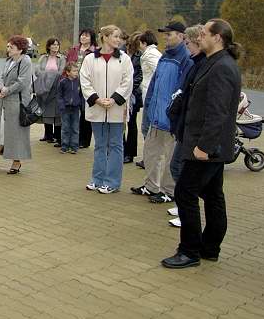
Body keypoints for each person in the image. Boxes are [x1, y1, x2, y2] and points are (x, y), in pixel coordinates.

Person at [162, 19, 241, 269]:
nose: (200, 37)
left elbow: (217, 112)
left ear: (218, 37)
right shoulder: (212, 62)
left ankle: (190, 251)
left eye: (205, 33)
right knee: (213, 195)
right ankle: (209, 247)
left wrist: (204, 147)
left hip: (206, 148)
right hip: (207, 146)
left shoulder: (222, 67)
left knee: (185, 193)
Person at [131, 21, 194, 204]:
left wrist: (174, 114)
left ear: (182, 36)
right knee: (151, 153)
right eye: (165, 34)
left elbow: (183, 90)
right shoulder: (165, 55)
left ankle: (168, 191)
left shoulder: (186, 58)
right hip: (156, 116)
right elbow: (155, 83)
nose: (165, 37)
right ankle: (150, 186)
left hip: (171, 119)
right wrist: (149, 104)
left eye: (170, 34)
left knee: (170, 158)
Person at [81, 25, 134, 194]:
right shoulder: (90, 59)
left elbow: (128, 82)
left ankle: (112, 182)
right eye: (114, 36)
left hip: (116, 110)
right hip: (97, 109)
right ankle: (97, 179)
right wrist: (96, 99)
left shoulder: (124, 59)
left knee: (116, 145)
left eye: (119, 37)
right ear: (104, 37)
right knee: (100, 145)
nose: (118, 40)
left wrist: (114, 99)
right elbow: (85, 81)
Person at [165, 24, 205, 228]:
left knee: (181, 169)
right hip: (183, 125)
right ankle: (182, 206)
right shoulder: (195, 63)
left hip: (192, 130)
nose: (187, 46)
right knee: (176, 166)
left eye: (188, 43)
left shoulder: (202, 64)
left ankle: (186, 212)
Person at [0, 35, 33, 173]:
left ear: (20, 49)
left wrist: (6, 90)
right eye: (8, 46)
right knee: (0, 130)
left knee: (16, 132)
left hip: (18, 103)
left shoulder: (25, 61)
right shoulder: (9, 60)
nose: (8, 49)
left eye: (11, 47)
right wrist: (1, 88)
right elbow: (2, 77)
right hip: (5, 101)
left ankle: (17, 161)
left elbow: (22, 82)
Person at [66, 28, 97, 148]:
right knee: (73, 111)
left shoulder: (95, 51)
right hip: (72, 83)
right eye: (82, 35)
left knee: (85, 112)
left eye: (87, 36)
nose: (83, 37)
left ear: (91, 38)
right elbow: (67, 64)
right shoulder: (74, 50)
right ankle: (73, 138)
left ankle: (84, 140)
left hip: (87, 85)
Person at [36, 37, 65, 146]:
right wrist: (47, 76)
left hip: (56, 88)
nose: (55, 46)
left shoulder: (62, 58)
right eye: (53, 44)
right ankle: (48, 135)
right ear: (49, 46)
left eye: (57, 45)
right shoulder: (43, 57)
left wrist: (48, 75)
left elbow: (61, 72)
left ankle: (57, 136)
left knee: (57, 113)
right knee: (46, 110)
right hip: (44, 88)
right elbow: (37, 70)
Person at [124, 32, 144, 163]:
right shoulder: (123, 53)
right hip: (121, 93)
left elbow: (140, 76)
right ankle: (122, 150)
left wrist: (129, 87)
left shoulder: (140, 56)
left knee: (131, 124)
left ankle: (130, 153)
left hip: (134, 95)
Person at [58, 62, 81, 154]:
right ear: (67, 72)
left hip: (75, 108)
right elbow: (59, 95)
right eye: (74, 71)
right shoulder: (62, 82)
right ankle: (64, 146)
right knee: (65, 128)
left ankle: (74, 146)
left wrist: (80, 104)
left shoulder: (79, 81)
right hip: (65, 108)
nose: (76, 73)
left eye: (77, 71)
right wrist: (61, 105)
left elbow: (81, 94)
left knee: (75, 128)